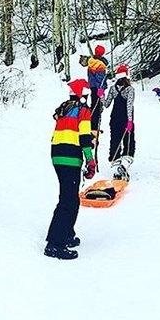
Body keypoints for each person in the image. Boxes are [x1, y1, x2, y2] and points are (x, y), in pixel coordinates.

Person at [45, 78, 96, 260]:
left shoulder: (63, 108)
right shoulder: (83, 111)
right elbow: (84, 138)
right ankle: (54, 244)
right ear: (83, 95)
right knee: (68, 200)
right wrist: (90, 160)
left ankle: (66, 233)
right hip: (70, 156)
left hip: (57, 154)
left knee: (70, 198)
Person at [103, 64, 135, 180]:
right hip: (125, 119)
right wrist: (130, 121)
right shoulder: (130, 90)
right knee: (128, 142)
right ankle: (124, 164)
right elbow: (129, 106)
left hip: (114, 119)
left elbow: (106, 104)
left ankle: (116, 165)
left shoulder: (113, 89)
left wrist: (101, 96)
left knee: (115, 141)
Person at [86, 44, 109, 151]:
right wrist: (102, 89)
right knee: (97, 108)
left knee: (94, 106)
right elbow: (101, 79)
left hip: (92, 87)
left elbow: (91, 77)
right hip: (98, 89)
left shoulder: (91, 62)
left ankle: (93, 126)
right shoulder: (100, 65)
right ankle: (93, 128)